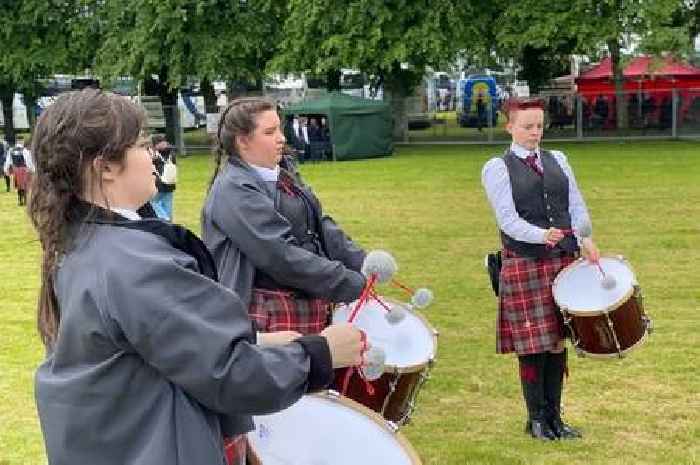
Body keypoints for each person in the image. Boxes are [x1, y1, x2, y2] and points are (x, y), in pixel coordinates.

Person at [27, 88, 366, 465]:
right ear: (105, 167)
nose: (153, 154)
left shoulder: (84, 239)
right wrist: (322, 353)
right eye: (140, 144)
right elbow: (231, 374)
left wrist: (257, 338)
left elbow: (149, 339)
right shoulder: (133, 261)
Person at [481, 98, 600, 441]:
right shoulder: (497, 167)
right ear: (510, 128)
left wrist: (585, 237)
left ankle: (555, 418)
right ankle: (536, 420)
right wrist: (540, 235)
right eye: (527, 127)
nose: (535, 133)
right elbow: (507, 219)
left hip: (562, 260)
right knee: (533, 344)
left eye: (539, 126)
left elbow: (575, 204)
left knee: (557, 342)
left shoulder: (558, 159)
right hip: (525, 262)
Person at [201, 97, 367, 339]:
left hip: (305, 298)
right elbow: (279, 254)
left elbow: (319, 224)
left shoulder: (282, 172)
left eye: (279, 128)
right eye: (269, 132)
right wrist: (348, 283)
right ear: (243, 141)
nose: (282, 138)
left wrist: (363, 261)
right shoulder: (234, 188)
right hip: (266, 311)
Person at [149, 133, 176, 220]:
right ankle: (168, 221)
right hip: (170, 182)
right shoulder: (171, 152)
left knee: (153, 202)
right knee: (167, 204)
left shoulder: (155, 155)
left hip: (159, 183)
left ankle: (165, 219)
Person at [4, 137, 34, 205]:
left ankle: (20, 200)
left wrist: (6, 169)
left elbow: (8, 161)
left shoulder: (11, 150)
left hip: (16, 170)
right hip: (24, 169)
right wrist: (32, 169)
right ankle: (25, 200)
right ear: (21, 141)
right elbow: (28, 161)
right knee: (25, 185)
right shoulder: (24, 150)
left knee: (19, 186)